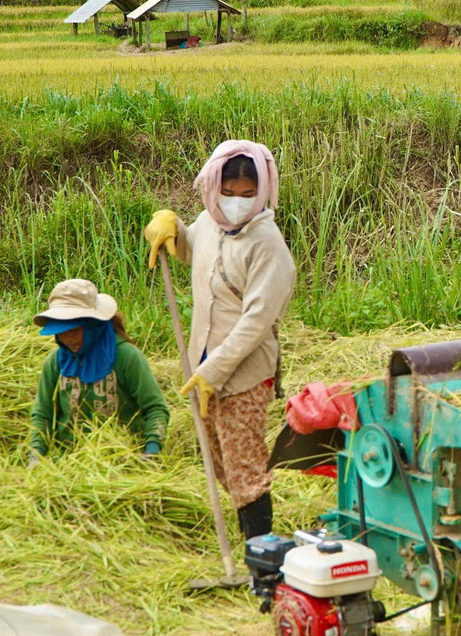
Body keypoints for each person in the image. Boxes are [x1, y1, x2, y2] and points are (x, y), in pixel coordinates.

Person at [142, 140, 296, 541]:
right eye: (228, 194)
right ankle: (250, 542)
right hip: (201, 364)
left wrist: (214, 372)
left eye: (248, 196)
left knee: (245, 468)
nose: (237, 204)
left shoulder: (268, 246)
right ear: (213, 188)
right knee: (221, 461)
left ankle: (260, 559)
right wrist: (173, 228)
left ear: (262, 192)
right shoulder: (210, 222)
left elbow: (256, 323)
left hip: (243, 373)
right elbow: (194, 253)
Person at [29, 278, 169, 465]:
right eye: (61, 331)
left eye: (74, 330)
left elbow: (155, 408)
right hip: (69, 463)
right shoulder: (55, 363)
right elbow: (42, 414)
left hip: (126, 458)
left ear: (92, 325)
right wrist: (35, 455)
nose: (67, 338)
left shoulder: (126, 357)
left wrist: (151, 451)